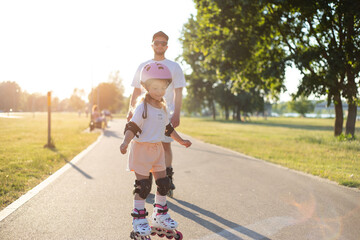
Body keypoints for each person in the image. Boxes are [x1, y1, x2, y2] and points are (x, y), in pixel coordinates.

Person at [120, 62, 190, 239]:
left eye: (163, 88)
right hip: (142, 150)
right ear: (146, 87)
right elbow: (132, 126)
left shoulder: (163, 107)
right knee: (143, 187)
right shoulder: (142, 107)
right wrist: (125, 141)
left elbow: (168, 128)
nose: (159, 91)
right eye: (155, 88)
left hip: (157, 149)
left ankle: (160, 215)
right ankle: (139, 219)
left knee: (164, 183)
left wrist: (181, 141)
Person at [127, 31, 186, 194]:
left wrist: (177, 114)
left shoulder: (174, 67)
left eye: (163, 43)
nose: (160, 45)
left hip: (165, 112)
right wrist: (130, 111)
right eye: (157, 42)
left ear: (167, 46)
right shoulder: (143, 66)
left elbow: (178, 92)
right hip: (145, 112)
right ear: (152, 45)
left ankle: (167, 177)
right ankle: (144, 179)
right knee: (144, 143)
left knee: (165, 145)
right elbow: (136, 90)